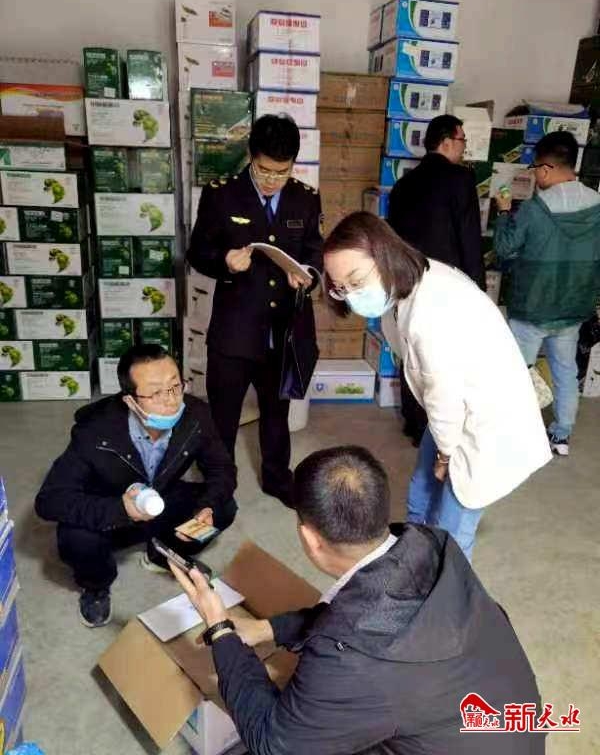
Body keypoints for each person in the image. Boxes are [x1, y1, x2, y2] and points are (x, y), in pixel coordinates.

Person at [171, 446, 544, 755]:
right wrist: (268, 629)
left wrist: (220, 629)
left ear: (310, 538)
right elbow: (359, 615)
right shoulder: (431, 545)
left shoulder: (349, 660)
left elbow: (273, 743)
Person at [322, 212, 551, 561]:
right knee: (421, 493)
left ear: (384, 254)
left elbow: (445, 394)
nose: (351, 295)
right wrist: (443, 448)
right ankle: (413, 562)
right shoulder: (405, 286)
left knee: (452, 531)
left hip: (485, 420)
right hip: (455, 410)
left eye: (356, 280)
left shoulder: (430, 310)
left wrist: (445, 455)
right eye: (342, 287)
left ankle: (445, 589)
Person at [35, 345, 237, 628]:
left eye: (175, 386)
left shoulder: (196, 414)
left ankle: (162, 554)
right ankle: (96, 585)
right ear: (130, 400)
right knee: (77, 539)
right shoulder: (94, 431)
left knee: (223, 507)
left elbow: (222, 468)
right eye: (155, 393)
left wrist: (208, 505)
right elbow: (49, 499)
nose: (171, 400)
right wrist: (120, 510)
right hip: (112, 515)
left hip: (161, 501)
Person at [187, 114, 322, 507]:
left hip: (283, 329)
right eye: (264, 170)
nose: (272, 180)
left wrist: (308, 275)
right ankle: (219, 485)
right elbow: (198, 252)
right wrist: (225, 262)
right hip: (235, 329)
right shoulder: (221, 195)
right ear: (250, 156)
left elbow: (314, 252)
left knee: (277, 412)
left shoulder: (305, 197)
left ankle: (278, 479)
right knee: (223, 416)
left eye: (282, 172)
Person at [495, 130, 600, 457]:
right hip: (574, 306)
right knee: (565, 371)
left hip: (533, 307)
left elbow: (504, 249)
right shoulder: (597, 206)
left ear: (545, 168)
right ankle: (562, 435)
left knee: (517, 373)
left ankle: (512, 435)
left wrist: (503, 212)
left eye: (535, 169)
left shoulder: (534, 209)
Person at [387, 114, 486, 445]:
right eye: (462, 141)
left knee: (413, 350)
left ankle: (413, 422)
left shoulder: (404, 184)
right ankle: (437, 426)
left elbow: (392, 239)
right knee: (443, 357)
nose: (464, 148)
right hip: (447, 285)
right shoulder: (460, 179)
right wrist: (478, 289)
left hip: (408, 282)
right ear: (446, 142)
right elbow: (469, 236)